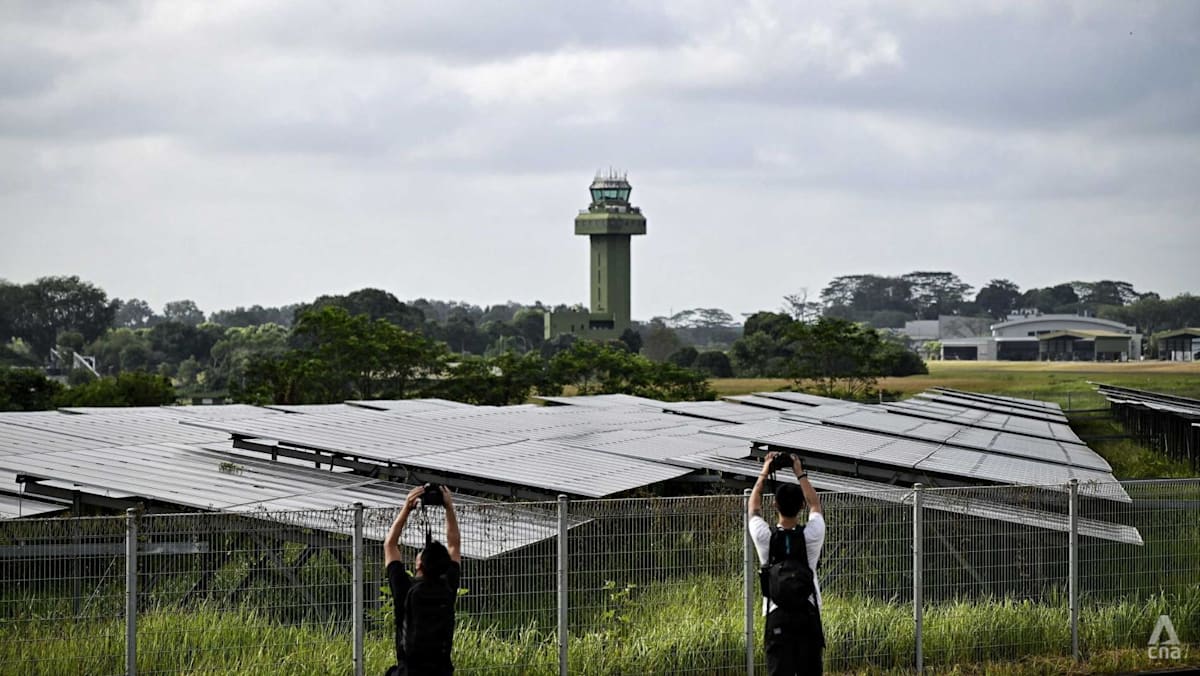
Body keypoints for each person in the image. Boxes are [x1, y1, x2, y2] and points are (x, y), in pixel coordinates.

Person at [748, 451, 826, 675]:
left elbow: (753, 509)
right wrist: (799, 471)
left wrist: (765, 470)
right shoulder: (812, 535)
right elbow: (816, 505)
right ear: (801, 506)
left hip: (776, 612)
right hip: (808, 612)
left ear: (775, 505)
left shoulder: (765, 537)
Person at [384, 484, 462, 676]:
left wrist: (407, 508)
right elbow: (454, 545)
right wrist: (449, 508)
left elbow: (390, 545)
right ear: (444, 565)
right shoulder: (448, 586)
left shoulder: (405, 590)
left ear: (419, 565)